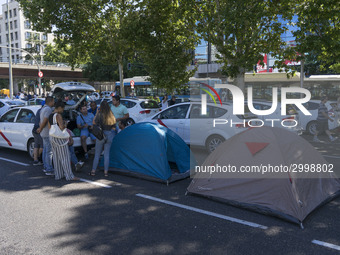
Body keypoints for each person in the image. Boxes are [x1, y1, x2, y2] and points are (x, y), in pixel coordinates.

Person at [48, 101, 79, 181]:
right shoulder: (58, 115)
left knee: (56, 157)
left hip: (52, 137)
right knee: (65, 157)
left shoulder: (50, 115)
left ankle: (58, 175)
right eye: (62, 109)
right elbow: (62, 127)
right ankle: (69, 176)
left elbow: (49, 127)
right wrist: (65, 124)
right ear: (59, 108)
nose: (63, 110)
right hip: (59, 138)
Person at [89, 101, 116, 177]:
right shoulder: (111, 115)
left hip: (101, 135)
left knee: (97, 154)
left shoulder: (100, 114)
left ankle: (93, 171)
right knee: (106, 154)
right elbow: (114, 127)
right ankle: (106, 172)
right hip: (109, 134)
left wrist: (97, 113)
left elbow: (94, 123)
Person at [37, 96, 55, 175]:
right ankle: (49, 169)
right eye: (53, 101)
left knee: (45, 150)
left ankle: (45, 167)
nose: (54, 103)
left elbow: (40, 121)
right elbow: (45, 120)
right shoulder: (48, 109)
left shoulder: (43, 108)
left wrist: (40, 128)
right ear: (50, 101)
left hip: (43, 133)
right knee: (49, 151)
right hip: (47, 132)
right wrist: (41, 128)